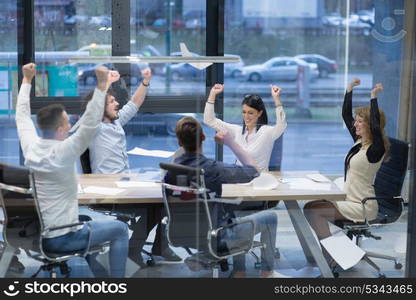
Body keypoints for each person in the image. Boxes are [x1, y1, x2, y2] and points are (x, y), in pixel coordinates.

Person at [16, 63, 129, 277]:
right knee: (120, 229)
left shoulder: (31, 147)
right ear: (60, 129)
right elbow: (90, 124)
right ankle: (119, 285)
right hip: (63, 237)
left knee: (88, 219)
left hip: (45, 232)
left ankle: (101, 276)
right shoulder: (64, 151)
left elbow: (22, 117)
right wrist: (102, 85)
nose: (70, 126)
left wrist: (27, 80)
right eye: (67, 122)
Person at [82, 68, 181, 266]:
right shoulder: (94, 128)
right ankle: (139, 249)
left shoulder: (116, 122)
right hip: (109, 188)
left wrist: (145, 82)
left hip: (124, 182)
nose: (117, 103)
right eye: (111, 102)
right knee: (158, 203)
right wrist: (106, 83)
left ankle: (151, 247)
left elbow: (135, 103)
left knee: (165, 195)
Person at [167, 116, 283, 278]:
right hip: (217, 236)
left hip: (183, 234)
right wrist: (231, 143)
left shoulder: (170, 170)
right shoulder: (212, 169)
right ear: (203, 138)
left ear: (179, 142)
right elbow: (254, 171)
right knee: (270, 216)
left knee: (231, 213)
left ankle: (239, 271)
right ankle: (267, 272)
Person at [303, 79, 390, 250]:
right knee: (309, 207)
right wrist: (349, 89)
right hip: (350, 198)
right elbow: (345, 115)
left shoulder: (375, 150)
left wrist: (373, 97)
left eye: (360, 121)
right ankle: (337, 252)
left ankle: (332, 253)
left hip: (362, 205)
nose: (355, 124)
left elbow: (375, 124)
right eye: (356, 121)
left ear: (370, 125)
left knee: (314, 211)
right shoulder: (360, 142)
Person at [203, 84, 287, 171]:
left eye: (250, 113)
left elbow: (282, 125)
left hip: (260, 181)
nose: (246, 116)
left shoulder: (266, 132)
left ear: (259, 113)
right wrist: (212, 94)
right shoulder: (237, 131)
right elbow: (209, 120)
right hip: (239, 180)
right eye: (244, 112)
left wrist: (276, 99)